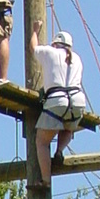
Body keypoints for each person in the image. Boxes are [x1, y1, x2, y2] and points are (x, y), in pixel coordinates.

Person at [29, 24, 88, 186]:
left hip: (57, 100)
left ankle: (46, 180)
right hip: (77, 101)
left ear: (55, 44)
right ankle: (60, 151)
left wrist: (35, 31)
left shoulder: (50, 52)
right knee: (68, 126)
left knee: (41, 141)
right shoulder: (77, 58)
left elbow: (33, 48)